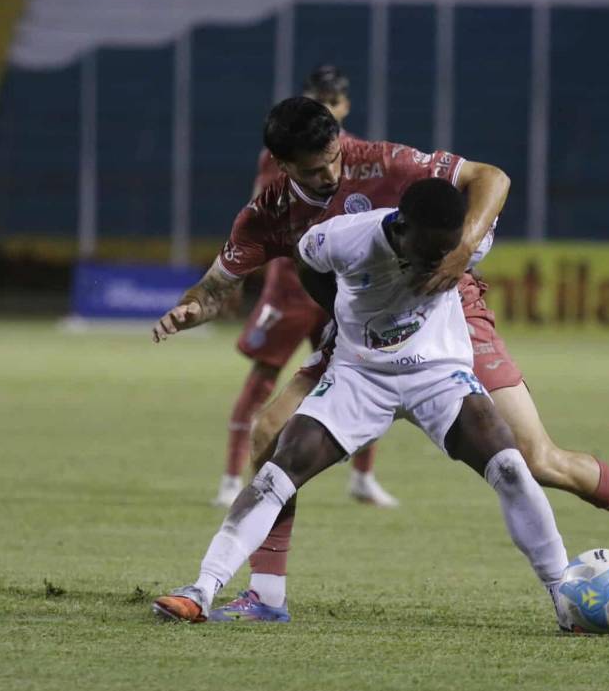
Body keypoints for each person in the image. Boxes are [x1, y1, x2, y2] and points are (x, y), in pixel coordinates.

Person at [153, 97, 609, 621]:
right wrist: (187, 311)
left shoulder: (382, 162)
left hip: (448, 309)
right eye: (314, 169)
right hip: (363, 337)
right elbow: (216, 287)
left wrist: (458, 254)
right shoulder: (273, 212)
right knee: (269, 435)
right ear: (282, 166)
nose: (332, 172)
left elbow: (491, 177)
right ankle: (266, 596)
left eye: (334, 157)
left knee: (536, 459)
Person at [153, 179, 573, 630]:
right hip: (360, 376)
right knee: (279, 469)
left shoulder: (467, 240)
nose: (439, 261)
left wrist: (460, 251)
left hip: (439, 373)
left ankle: (567, 596)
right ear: (402, 227)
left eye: (447, 251)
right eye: (429, 250)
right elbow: (307, 261)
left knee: (509, 465)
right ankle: (201, 589)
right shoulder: (344, 236)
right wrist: (340, 313)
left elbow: (494, 184)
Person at [215, 65, 397, 509]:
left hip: (344, 291)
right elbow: (260, 217)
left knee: (361, 379)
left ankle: (363, 478)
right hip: (289, 288)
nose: (329, 107)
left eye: (334, 101)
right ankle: (229, 477)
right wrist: (235, 274)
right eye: (320, 99)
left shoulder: (358, 154)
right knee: (263, 378)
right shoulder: (280, 154)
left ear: (345, 106)